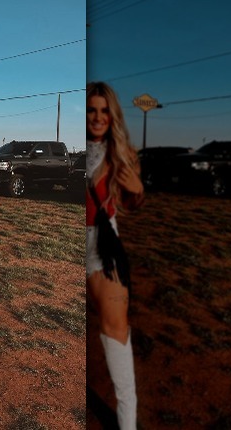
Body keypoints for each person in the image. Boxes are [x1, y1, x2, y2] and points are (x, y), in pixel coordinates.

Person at [86, 81, 144, 430]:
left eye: (104, 111)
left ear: (113, 115)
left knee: (117, 331)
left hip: (103, 245)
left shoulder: (120, 152)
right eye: (92, 110)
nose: (97, 117)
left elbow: (134, 199)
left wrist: (136, 191)